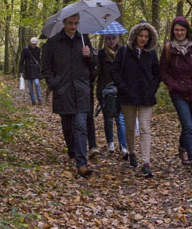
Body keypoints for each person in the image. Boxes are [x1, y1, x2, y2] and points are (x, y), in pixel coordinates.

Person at [41, 13, 96, 178]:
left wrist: (90, 56)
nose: (73, 26)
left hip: (81, 90)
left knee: (81, 125)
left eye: (76, 23)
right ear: (64, 23)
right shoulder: (53, 43)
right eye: (70, 23)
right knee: (68, 126)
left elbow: (94, 66)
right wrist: (54, 84)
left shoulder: (84, 39)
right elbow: (45, 69)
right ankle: (72, 152)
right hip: (63, 90)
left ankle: (81, 163)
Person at [160, 16, 192, 177]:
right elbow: (163, 72)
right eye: (176, 30)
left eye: (182, 30)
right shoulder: (168, 49)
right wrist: (173, 85)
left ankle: (182, 148)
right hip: (179, 94)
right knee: (188, 126)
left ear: (187, 30)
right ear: (172, 31)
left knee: (188, 125)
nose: (179, 32)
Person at [110, 21, 160, 178]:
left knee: (145, 128)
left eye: (146, 36)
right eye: (141, 35)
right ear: (135, 36)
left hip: (146, 97)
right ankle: (132, 153)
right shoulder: (124, 51)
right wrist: (123, 87)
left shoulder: (151, 53)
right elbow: (114, 71)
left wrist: (152, 89)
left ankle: (146, 163)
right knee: (130, 127)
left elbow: (157, 73)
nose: (143, 39)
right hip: (127, 97)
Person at [95, 34, 128, 157]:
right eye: (109, 38)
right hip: (104, 90)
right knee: (108, 117)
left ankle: (123, 146)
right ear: (105, 40)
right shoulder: (101, 54)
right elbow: (96, 72)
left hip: (120, 90)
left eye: (113, 38)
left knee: (120, 118)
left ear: (117, 39)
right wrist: (92, 59)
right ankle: (110, 143)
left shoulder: (123, 52)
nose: (111, 41)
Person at [20, 37, 43, 105]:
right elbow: (21, 61)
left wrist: (40, 69)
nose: (34, 45)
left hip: (35, 70)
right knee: (30, 87)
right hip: (28, 70)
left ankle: (39, 99)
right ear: (30, 43)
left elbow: (39, 60)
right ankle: (33, 101)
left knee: (37, 83)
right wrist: (21, 71)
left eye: (35, 44)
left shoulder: (38, 50)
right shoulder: (25, 49)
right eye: (33, 44)